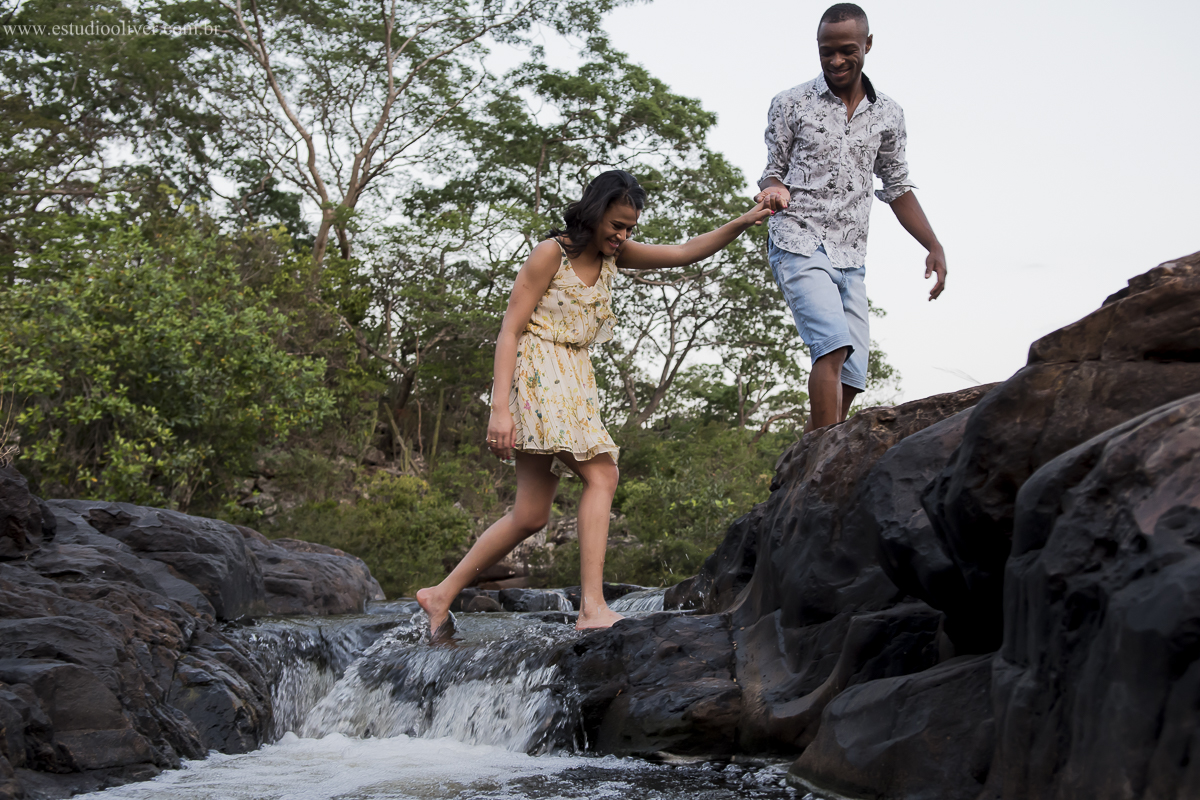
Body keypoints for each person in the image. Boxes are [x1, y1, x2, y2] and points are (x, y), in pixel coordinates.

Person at [417, 170, 770, 638]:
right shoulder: (551, 253)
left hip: (576, 377)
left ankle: (440, 595)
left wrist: (745, 220)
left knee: (530, 515)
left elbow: (684, 252)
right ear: (596, 211)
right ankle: (593, 607)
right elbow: (510, 329)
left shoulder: (615, 258)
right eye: (617, 225)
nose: (623, 236)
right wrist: (499, 408)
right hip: (539, 369)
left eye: (630, 229)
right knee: (603, 474)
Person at [755, 3, 947, 432]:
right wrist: (774, 187)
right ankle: (823, 462)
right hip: (798, 240)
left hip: (850, 254)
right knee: (832, 347)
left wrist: (933, 245)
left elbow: (897, 187)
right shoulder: (791, 103)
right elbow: (773, 168)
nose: (836, 60)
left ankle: (810, 456)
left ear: (868, 45)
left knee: (854, 371)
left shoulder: (888, 115)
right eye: (826, 51)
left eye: (846, 50)